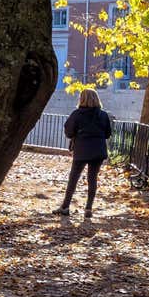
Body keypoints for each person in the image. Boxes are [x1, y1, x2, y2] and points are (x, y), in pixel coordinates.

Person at [56, 90, 112, 218]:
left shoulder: (77, 114)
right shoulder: (103, 115)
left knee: (73, 178)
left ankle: (65, 206)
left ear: (82, 99)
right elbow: (108, 134)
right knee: (92, 179)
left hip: (82, 150)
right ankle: (88, 208)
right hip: (98, 150)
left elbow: (69, 132)